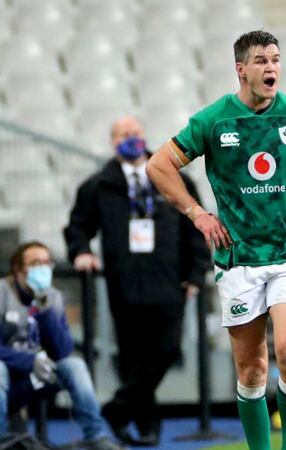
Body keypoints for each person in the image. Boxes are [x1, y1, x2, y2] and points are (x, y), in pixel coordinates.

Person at [145, 30, 286, 450]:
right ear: (240, 69)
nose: (272, 68)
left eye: (276, 59)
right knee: (250, 371)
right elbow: (159, 165)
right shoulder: (214, 120)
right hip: (238, 259)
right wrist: (197, 213)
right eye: (262, 60)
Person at [63, 116, 210, 446]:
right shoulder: (98, 185)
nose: (132, 139)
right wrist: (81, 251)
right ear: (113, 142)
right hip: (124, 284)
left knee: (167, 350)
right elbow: (77, 227)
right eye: (124, 134)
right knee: (132, 359)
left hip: (170, 283)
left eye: (137, 133)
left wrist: (195, 273)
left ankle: (115, 412)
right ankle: (147, 427)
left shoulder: (175, 179)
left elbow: (195, 228)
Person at [0, 241, 125, 449]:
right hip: (8, 379)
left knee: (74, 365)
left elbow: (62, 351)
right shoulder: (2, 292)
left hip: (37, 377)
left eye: (47, 263)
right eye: (36, 263)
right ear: (18, 269)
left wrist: (46, 309)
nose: (43, 268)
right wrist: (30, 361)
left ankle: (97, 437)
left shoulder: (53, 298)